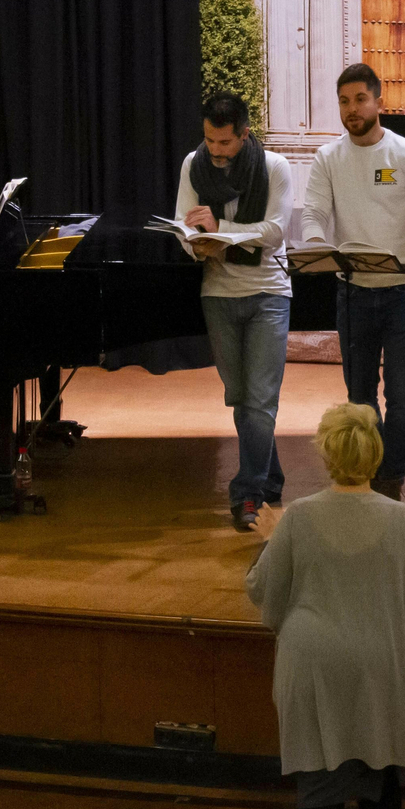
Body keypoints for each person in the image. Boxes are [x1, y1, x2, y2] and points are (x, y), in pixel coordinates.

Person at [246, 403, 405, 809]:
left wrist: (269, 542)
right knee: (380, 782)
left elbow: (261, 588)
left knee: (320, 790)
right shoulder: (401, 520)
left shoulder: (298, 517)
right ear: (375, 455)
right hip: (379, 672)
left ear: (325, 453)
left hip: (314, 671)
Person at [301, 63, 405, 500]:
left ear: (378, 101)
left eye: (360, 100)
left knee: (401, 393)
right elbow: (314, 213)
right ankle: (367, 467)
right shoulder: (328, 158)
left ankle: (392, 476)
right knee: (359, 392)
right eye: (345, 102)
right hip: (352, 290)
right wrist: (316, 246)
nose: (352, 110)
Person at [175, 93, 295, 530]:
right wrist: (195, 244)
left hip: (268, 293)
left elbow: (276, 231)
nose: (217, 151)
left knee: (260, 401)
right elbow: (183, 224)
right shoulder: (194, 163)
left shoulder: (274, 167)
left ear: (244, 134)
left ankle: (248, 494)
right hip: (218, 294)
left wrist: (220, 230)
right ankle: (273, 476)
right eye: (210, 141)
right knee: (242, 399)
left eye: (225, 143)